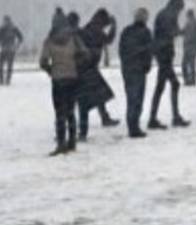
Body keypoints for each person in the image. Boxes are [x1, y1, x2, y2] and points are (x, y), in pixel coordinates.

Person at [40, 11, 87, 155]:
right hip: (72, 78)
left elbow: (43, 61)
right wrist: (75, 64)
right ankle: (72, 141)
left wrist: (51, 70)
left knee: (59, 112)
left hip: (58, 79)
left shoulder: (50, 40)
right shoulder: (73, 38)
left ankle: (61, 142)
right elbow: (85, 53)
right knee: (71, 110)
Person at [76, 8, 120, 140]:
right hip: (89, 66)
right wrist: (114, 27)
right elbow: (108, 40)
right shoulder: (96, 29)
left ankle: (104, 117)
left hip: (85, 65)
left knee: (98, 94)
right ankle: (92, 123)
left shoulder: (89, 27)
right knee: (93, 95)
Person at [149, 0, 190, 129]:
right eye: (180, 9)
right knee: (170, 85)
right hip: (164, 53)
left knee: (162, 86)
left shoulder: (164, 13)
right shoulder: (169, 15)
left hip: (161, 53)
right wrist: (182, 31)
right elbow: (171, 32)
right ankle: (171, 117)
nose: (180, 12)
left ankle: (156, 117)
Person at [119, 9, 153, 138]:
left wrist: (125, 63)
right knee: (137, 99)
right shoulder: (146, 33)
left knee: (130, 98)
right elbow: (148, 51)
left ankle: (131, 125)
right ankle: (135, 127)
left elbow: (121, 50)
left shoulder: (126, 31)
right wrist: (146, 66)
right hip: (138, 70)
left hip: (127, 69)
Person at [0, 15, 23, 85]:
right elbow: (21, 37)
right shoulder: (14, 28)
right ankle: (7, 80)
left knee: (1, 66)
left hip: (4, 49)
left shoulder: (2, 29)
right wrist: (17, 45)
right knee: (9, 66)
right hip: (11, 49)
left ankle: (2, 80)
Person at [181, 9, 196, 86]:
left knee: (188, 64)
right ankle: (191, 80)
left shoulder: (195, 23)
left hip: (190, 47)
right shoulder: (190, 23)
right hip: (189, 47)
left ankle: (190, 80)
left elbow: (195, 36)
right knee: (189, 64)